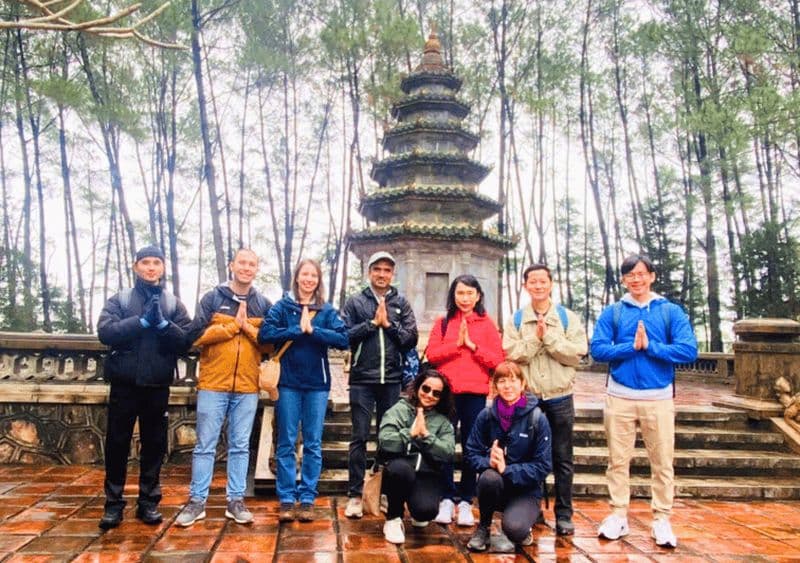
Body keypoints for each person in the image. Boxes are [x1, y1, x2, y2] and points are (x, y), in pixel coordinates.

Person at [590, 254, 698, 548]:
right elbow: (597, 349)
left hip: (658, 397)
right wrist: (629, 346)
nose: (635, 280)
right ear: (623, 280)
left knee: (662, 462)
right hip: (619, 396)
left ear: (652, 276)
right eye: (629, 275)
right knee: (617, 461)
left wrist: (651, 347)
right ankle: (617, 514)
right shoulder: (613, 312)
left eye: (640, 274)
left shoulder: (669, 312)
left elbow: (688, 350)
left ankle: (662, 518)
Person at [96, 245, 192, 530]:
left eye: (156, 263)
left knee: (154, 446)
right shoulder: (120, 300)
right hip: (124, 386)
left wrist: (163, 325)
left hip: (157, 386)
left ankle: (148, 503)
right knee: (116, 445)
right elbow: (105, 332)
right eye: (145, 263)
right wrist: (139, 322)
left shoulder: (173, 304)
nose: (151, 268)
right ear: (135, 266)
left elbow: (186, 340)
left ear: (163, 268)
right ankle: (113, 505)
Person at [176, 248, 272, 527]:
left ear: (257, 269)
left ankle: (235, 500)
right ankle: (197, 501)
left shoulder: (262, 303)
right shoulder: (213, 298)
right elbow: (195, 336)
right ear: (232, 265)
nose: (246, 267)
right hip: (213, 384)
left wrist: (248, 329)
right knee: (205, 445)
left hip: (246, 386)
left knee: (241, 446)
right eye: (242, 262)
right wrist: (231, 327)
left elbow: (269, 345)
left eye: (252, 264)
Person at [258, 258, 349, 523]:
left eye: (314, 276)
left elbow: (343, 339)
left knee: (313, 443)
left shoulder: (327, 311)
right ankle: (287, 498)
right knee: (286, 442)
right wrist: (297, 330)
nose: (309, 279)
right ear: (296, 277)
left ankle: (307, 497)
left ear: (319, 281)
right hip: (287, 383)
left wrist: (315, 331)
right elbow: (265, 334)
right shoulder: (282, 307)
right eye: (304, 274)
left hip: (317, 385)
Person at [502, 264, 587, 536]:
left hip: (560, 397)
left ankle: (564, 513)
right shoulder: (516, 320)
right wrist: (537, 342)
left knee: (562, 457)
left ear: (551, 284)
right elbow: (511, 354)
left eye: (543, 282)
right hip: (529, 400)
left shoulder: (567, 317)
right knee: (527, 455)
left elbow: (576, 353)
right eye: (532, 282)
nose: (538, 286)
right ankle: (532, 508)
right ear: (525, 285)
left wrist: (547, 336)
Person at [341, 251, 418, 518]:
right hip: (363, 378)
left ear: (392, 274)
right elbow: (343, 336)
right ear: (369, 271)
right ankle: (354, 495)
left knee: (389, 439)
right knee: (359, 437)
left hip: (392, 379)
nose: (382, 274)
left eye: (387, 270)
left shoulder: (401, 303)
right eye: (377, 269)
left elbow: (410, 339)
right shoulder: (355, 302)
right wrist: (372, 324)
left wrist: (390, 325)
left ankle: (383, 492)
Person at [425, 274, 505, 526]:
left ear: (478, 295)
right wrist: (457, 346)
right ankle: (447, 497)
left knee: (473, 446)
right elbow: (432, 355)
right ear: (453, 295)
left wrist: (472, 346)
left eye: (470, 293)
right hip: (446, 394)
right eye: (460, 293)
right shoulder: (444, 322)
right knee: (444, 444)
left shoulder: (487, 324)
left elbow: (498, 361)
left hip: (475, 393)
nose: (465, 298)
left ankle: (466, 499)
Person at [464, 361, 552, 553]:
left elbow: (543, 465)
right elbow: (470, 453)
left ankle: (525, 522)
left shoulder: (537, 419)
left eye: (513, 380)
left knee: (515, 530)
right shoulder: (486, 416)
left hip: (525, 490)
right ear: (495, 386)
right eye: (502, 381)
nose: (507, 386)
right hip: (497, 486)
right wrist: (490, 462)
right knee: (488, 478)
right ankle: (484, 527)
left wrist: (508, 469)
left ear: (522, 384)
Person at [377, 366, 455, 544]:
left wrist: (426, 436)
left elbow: (448, 452)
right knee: (400, 470)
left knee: (425, 512)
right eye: (426, 388)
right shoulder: (400, 409)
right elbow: (385, 440)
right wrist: (410, 433)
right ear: (418, 387)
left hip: (427, 474)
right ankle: (393, 518)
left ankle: (415, 505)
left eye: (436, 393)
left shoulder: (442, 420)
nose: (429, 395)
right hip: (400, 469)